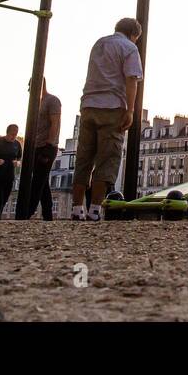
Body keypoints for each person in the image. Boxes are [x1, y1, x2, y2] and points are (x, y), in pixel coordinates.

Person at [72, 17, 143, 222]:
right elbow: (131, 80)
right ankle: (95, 209)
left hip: (88, 104)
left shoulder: (99, 43)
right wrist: (130, 110)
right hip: (112, 106)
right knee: (108, 158)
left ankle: (77, 208)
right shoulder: (129, 48)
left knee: (84, 158)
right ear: (134, 34)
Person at [20, 79, 61, 221]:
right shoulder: (35, 104)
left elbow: (55, 123)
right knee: (42, 181)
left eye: (30, 86)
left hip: (47, 146)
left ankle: (27, 212)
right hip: (35, 146)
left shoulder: (52, 101)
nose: (29, 90)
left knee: (37, 181)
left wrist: (49, 145)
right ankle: (47, 214)